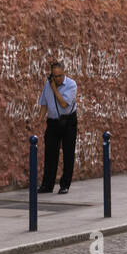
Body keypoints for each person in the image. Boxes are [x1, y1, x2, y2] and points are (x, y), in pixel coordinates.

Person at [37, 60, 78, 194]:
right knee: (50, 154)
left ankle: (65, 184)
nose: (58, 79)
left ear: (64, 73)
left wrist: (54, 88)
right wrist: (39, 119)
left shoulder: (71, 85)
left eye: (60, 76)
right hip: (53, 122)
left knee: (68, 153)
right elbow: (44, 104)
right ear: (51, 75)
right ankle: (47, 185)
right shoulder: (47, 86)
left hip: (68, 121)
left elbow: (64, 103)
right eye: (55, 76)